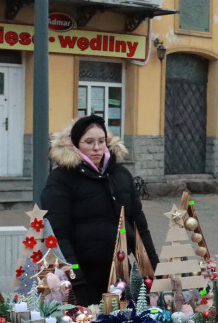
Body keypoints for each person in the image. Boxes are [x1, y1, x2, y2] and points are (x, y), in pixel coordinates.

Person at [41, 115, 159, 307]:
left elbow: (139, 227)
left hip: (121, 274)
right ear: (75, 144)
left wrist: (152, 270)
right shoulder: (61, 179)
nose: (97, 148)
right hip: (84, 277)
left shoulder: (121, 175)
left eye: (101, 141)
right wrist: (76, 277)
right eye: (89, 142)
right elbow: (58, 233)